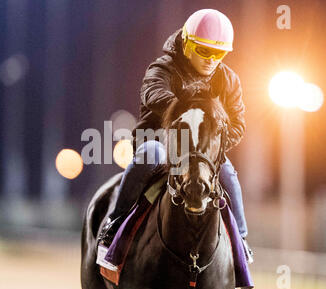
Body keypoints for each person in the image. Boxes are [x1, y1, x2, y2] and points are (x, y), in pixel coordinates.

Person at [98, 9, 253, 262]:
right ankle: (114, 224)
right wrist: (187, 112)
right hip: (159, 140)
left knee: (227, 173)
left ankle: (241, 242)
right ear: (188, 43)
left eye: (219, 53)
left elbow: (238, 124)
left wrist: (215, 143)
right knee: (150, 155)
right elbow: (153, 94)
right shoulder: (162, 68)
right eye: (204, 50)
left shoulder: (229, 80)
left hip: (203, 150)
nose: (211, 59)